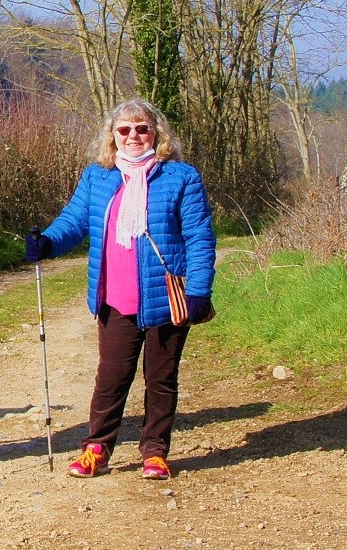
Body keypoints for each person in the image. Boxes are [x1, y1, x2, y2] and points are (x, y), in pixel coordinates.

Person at [25, 98, 215, 481]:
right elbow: (75, 222)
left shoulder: (181, 177)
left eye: (142, 128)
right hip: (115, 298)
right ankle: (97, 448)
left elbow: (199, 237)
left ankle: (156, 452)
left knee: (161, 380)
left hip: (168, 298)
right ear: (112, 136)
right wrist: (46, 242)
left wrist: (199, 290)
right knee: (111, 378)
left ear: (156, 133)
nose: (133, 136)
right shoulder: (98, 176)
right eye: (124, 129)